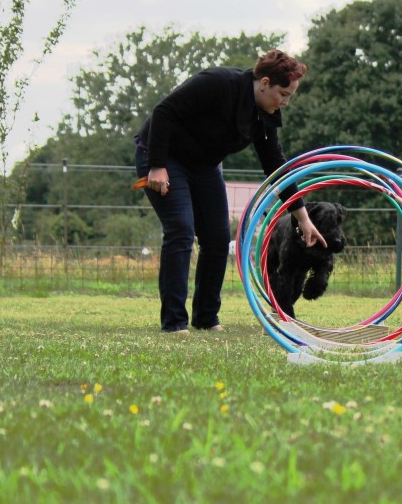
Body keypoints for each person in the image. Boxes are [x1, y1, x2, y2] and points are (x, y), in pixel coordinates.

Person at [135, 49, 326, 333]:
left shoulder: (265, 116)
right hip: (164, 158)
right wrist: (156, 165)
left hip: (204, 166)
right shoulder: (217, 82)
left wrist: (303, 218)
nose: (285, 102)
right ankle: (174, 323)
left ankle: (206, 318)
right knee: (181, 230)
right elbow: (164, 112)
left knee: (217, 237)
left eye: (289, 97)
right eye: (283, 94)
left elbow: (275, 165)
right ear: (264, 83)